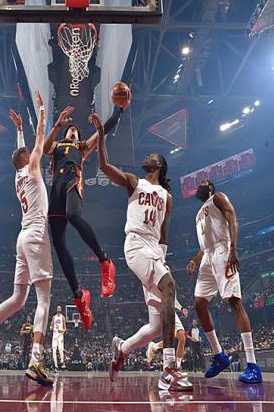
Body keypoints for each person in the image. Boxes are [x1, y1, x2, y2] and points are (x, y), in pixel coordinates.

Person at [90, 114, 192, 391]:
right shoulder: (135, 183)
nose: (146, 157)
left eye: (151, 156)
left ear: (158, 165)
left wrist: (162, 259)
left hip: (155, 251)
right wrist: (101, 134)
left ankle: (122, 348)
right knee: (169, 286)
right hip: (135, 245)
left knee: (156, 326)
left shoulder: (167, 197)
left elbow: (165, 232)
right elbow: (104, 166)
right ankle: (169, 369)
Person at [0, 92, 53, 386]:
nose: (31, 152)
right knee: (44, 299)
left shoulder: (19, 175)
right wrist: (41, 110)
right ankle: (36, 360)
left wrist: (18, 129)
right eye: (28, 152)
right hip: (36, 235)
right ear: (26, 159)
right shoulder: (32, 167)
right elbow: (40, 137)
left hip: (22, 237)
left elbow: (21, 151)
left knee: (18, 299)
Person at [43, 102, 128, 330]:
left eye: (75, 130)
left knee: (73, 215)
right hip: (56, 188)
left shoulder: (81, 147)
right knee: (58, 246)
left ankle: (105, 260)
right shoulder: (57, 144)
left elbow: (105, 129)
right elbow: (45, 148)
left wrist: (118, 110)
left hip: (73, 179)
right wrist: (57, 125)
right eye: (70, 129)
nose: (73, 130)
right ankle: (80, 297)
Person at [186, 179, 262, 383]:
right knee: (199, 304)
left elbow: (232, 218)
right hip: (208, 256)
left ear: (210, 187)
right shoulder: (198, 214)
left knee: (234, 301)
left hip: (223, 249)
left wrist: (233, 249)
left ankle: (253, 365)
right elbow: (204, 246)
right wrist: (194, 261)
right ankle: (219, 355)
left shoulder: (217, 198)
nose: (198, 187)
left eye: (202, 183)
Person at [147, 306, 189, 372]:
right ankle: (177, 367)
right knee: (180, 337)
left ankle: (155, 346)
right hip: (164, 309)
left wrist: (181, 308)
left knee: (179, 337)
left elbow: (173, 299)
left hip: (168, 309)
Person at [50, 305, 67, 372]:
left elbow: (65, 329)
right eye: (58, 308)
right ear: (56, 309)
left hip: (60, 335)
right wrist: (51, 327)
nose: (59, 309)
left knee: (60, 350)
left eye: (60, 308)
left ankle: (62, 362)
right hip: (55, 334)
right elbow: (51, 325)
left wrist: (62, 331)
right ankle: (56, 366)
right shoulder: (54, 317)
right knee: (54, 350)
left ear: (61, 309)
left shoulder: (63, 317)